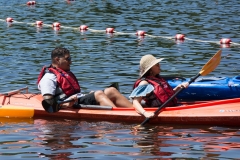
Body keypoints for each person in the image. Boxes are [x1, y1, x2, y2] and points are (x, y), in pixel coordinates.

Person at [37, 47, 133, 109]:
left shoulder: (64, 73)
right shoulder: (48, 78)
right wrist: (65, 104)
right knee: (99, 94)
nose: (70, 62)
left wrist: (88, 95)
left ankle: (135, 111)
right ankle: (121, 115)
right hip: (70, 104)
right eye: (68, 59)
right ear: (57, 60)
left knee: (111, 90)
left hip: (78, 99)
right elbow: (48, 103)